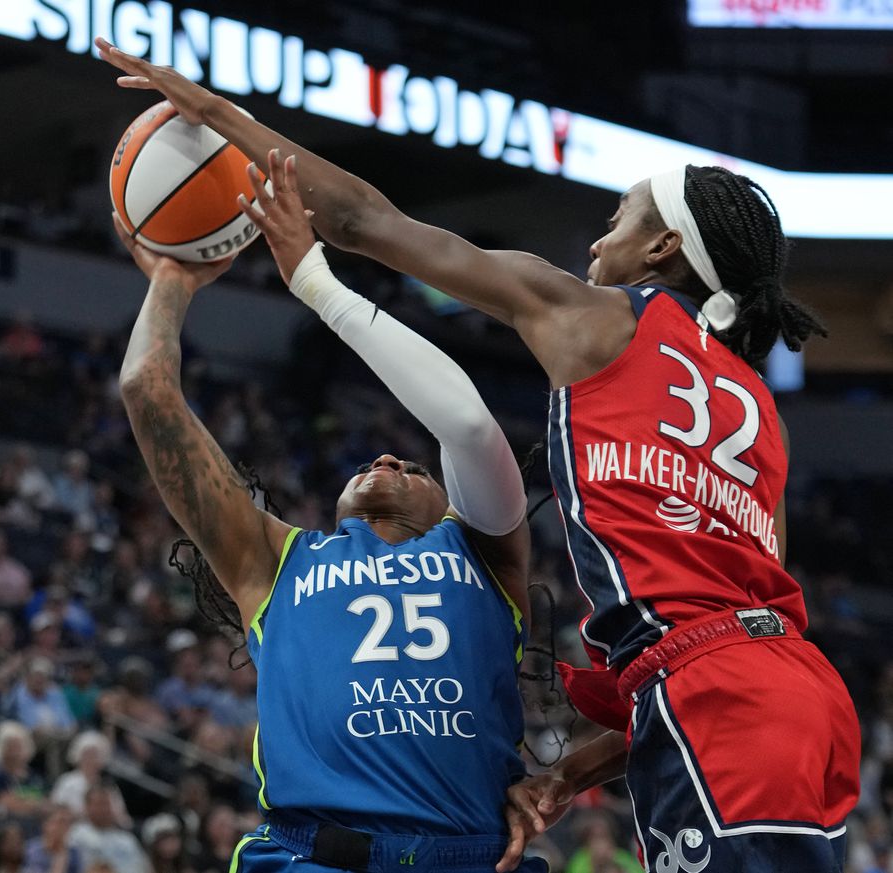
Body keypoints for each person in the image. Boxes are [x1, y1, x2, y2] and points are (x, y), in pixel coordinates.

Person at [96, 42, 859, 873]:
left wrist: (224, 125)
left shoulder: (593, 331)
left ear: (660, 249)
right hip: (771, 688)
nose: (598, 244)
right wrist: (568, 771)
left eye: (617, 222)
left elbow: (365, 224)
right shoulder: (759, 409)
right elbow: (747, 615)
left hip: (711, 699)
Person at [110, 136, 535, 872]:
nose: (389, 458)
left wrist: (316, 280)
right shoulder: (274, 559)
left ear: (451, 503)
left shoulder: (487, 553)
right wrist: (173, 274)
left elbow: (465, 424)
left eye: (412, 465)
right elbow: (147, 390)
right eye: (373, 459)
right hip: (317, 858)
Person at [67, 787, 148, 873]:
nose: (104, 809)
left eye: (107, 804)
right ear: (87, 807)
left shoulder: (127, 840)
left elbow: (144, 868)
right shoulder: (75, 835)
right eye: (99, 804)